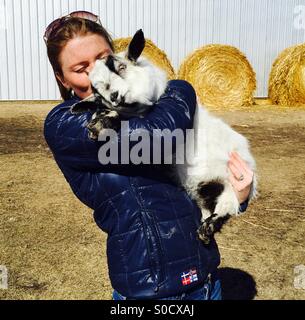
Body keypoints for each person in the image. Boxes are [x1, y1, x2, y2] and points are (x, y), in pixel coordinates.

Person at [43, 11, 254, 300]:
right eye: (81, 69)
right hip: (149, 292)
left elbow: (197, 172)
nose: (99, 74)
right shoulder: (65, 125)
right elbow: (157, 134)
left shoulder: (167, 95)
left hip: (205, 280)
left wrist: (235, 198)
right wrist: (181, 93)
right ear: (62, 78)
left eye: (104, 58)